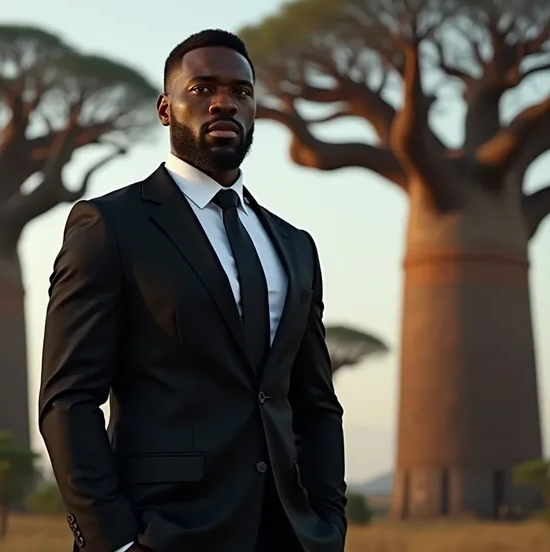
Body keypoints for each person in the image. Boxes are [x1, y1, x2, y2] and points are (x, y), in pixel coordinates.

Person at [39, 29, 347, 552]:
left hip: (289, 536)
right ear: (165, 108)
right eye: (202, 89)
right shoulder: (109, 226)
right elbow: (68, 400)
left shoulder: (296, 246)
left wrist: (328, 525)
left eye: (241, 92)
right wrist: (113, 541)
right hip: (161, 534)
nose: (224, 102)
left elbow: (315, 402)